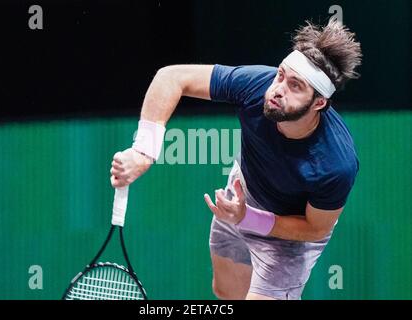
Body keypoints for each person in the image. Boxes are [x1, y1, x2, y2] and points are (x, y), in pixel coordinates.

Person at [110, 18, 362, 300]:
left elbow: (315, 229)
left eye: (295, 85)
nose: (278, 89)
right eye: (280, 75)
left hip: (289, 235)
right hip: (240, 196)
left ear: (319, 103)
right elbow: (171, 77)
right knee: (226, 293)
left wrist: (248, 218)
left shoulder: (335, 164)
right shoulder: (257, 86)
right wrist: (144, 150)